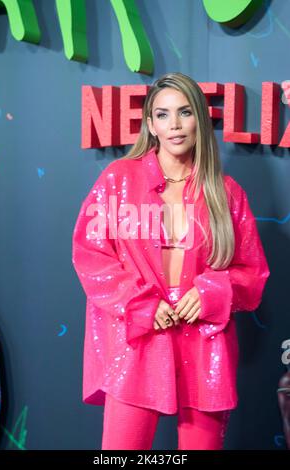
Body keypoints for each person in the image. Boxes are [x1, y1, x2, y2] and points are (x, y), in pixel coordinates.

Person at [72, 72, 270, 450]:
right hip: (140, 337)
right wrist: (141, 303)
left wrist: (214, 291)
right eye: (162, 115)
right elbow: (91, 254)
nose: (174, 125)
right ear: (150, 124)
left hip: (205, 339)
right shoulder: (118, 179)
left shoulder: (226, 193)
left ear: (200, 117)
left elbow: (253, 273)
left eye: (184, 112)